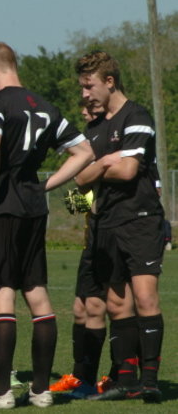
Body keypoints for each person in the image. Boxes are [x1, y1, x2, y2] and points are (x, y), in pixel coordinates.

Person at [0, 42, 93, 409]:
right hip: (34, 208)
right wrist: (45, 186)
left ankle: (1, 391)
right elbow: (84, 152)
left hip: (2, 208)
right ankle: (40, 390)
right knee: (36, 291)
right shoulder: (46, 107)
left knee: (1, 293)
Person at [74, 51, 165, 403]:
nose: (85, 95)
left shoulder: (137, 116)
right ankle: (124, 380)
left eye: (89, 86)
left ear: (109, 82)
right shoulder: (94, 129)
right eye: (82, 88)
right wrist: (104, 163)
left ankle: (150, 380)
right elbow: (80, 181)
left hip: (139, 220)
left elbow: (127, 171)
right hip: (105, 225)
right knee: (114, 304)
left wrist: (103, 166)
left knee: (145, 297)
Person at [50, 101, 109, 398]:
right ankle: (78, 375)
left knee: (103, 308)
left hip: (111, 238)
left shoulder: (110, 143)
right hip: (90, 241)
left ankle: (107, 376)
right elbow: (76, 207)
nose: (83, 112)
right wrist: (80, 179)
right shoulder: (87, 146)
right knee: (78, 308)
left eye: (88, 108)